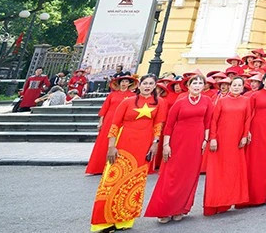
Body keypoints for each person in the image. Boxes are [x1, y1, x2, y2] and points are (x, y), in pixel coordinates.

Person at [90, 75, 163, 232]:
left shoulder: (159, 103)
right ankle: (102, 221)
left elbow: (158, 125)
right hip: (123, 143)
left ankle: (125, 219)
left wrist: (155, 144)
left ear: (155, 86)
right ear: (139, 85)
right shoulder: (127, 102)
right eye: (145, 83)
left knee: (135, 182)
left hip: (143, 146)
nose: (148, 86)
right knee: (111, 181)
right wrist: (111, 146)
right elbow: (115, 124)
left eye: (151, 84)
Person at [145, 74, 213, 223]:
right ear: (188, 86)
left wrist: (206, 140)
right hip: (178, 141)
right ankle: (164, 209)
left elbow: (208, 122)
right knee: (172, 175)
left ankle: (180, 208)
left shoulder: (207, 101)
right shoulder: (180, 102)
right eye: (194, 82)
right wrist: (166, 145)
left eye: (200, 83)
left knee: (189, 176)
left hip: (196, 141)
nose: (197, 85)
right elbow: (169, 125)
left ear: (204, 86)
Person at [204, 75, 251, 215]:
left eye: (239, 85)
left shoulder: (246, 101)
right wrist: (212, 138)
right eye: (234, 85)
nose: (236, 87)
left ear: (243, 88)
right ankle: (215, 203)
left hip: (236, 141)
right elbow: (214, 120)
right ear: (230, 86)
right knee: (218, 171)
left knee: (233, 171)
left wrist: (244, 136)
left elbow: (247, 119)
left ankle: (228, 201)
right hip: (221, 140)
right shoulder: (222, 101)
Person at [242, 71, 266, 206]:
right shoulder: (255, 95)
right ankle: (251, 197)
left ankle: (264, 196)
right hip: (256, 130)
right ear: (263, 81)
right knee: (253, 162)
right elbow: (248, 114)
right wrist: (247, 131)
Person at [86, 75, 137, 174]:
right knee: (103, 142)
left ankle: (115, 166)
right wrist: (101, 121)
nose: (124, 83)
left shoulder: (132, 96)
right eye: (122, 81)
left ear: (130, 83)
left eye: (126, 81)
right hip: (109, 119)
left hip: (123, 121)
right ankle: (98, 167)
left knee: (118, 142)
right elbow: (105, 108)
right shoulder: (112, 95)